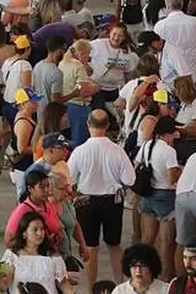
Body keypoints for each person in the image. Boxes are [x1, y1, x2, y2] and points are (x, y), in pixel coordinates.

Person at [68, 110, 136, 286]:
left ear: (88, 125)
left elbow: (69, 178)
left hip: (85, 202)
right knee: (114, 244)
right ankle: (120, 285)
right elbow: (130, 179)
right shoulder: (117, 151)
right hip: (112, 201)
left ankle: (92, 288)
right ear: (107, 126)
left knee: (90, 247)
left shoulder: (79, 151)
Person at [136, 116, 182, 280]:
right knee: (166, 242)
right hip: (165, 196)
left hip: (148, 194)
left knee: (147, 238)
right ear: (169, 133)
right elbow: (171, 178)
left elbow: (137, 163)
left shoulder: (147, 145)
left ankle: (140, 271)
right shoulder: (169, 151)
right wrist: (179, 170)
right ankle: (165, 277)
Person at [0, 212, 74, 294]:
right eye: (35, 229)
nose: (40, 233)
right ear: (24, 233)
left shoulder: (53, 257)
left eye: (42, 229)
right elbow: (5, 284)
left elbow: (62, 282)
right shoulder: (12, 256)